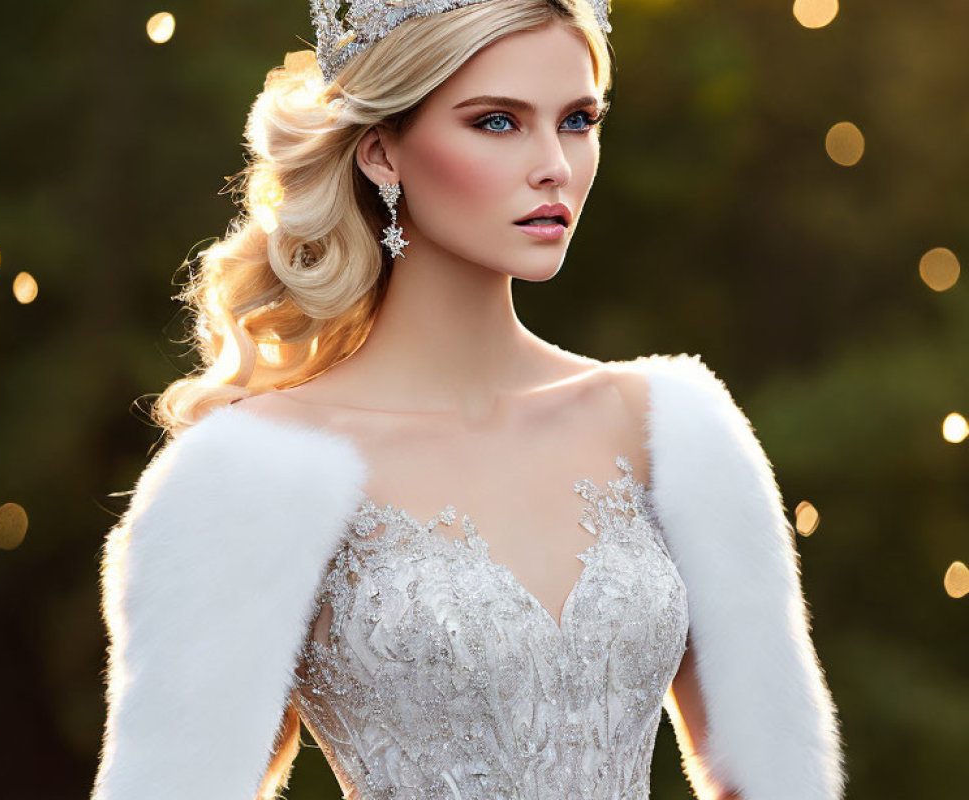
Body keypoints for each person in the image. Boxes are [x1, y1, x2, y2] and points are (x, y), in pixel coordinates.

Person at [89, 0, 847, 798]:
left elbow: (778, 778)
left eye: (579, 120)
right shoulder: (247, 471)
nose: (554, 163)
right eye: (497, 122)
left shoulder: (675, 428)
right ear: (382, 152)